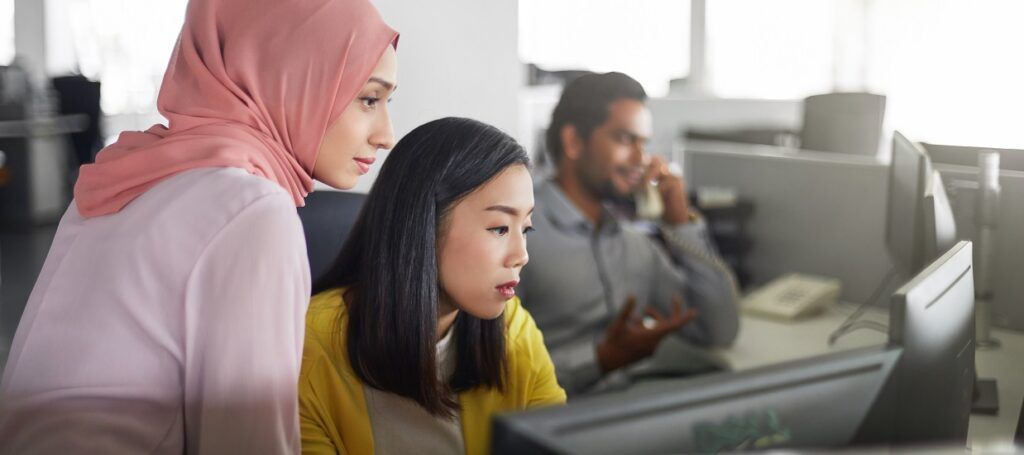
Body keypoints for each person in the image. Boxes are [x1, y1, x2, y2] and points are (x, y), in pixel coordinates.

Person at [0, 0, 398, 453]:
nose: (386, 134)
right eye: (369, 98)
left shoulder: (133, 171)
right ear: (293, 76)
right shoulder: (251, 209)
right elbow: (248, 444)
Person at [299, 117, 566, 455]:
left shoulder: (513, 328)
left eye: (525, 229)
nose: (521, 255)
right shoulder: (308, 346)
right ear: (423, 225)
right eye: (499, 228)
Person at [518, 72, 740, 396]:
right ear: (574, 142)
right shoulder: (518, 236)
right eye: (625, 140)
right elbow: (494, 375)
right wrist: (601, 359)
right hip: (549, 428)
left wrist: (680, 222)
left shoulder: (634, 245)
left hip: (627, 416)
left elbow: (717, 329)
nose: (642, 159)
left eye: (644, 143)